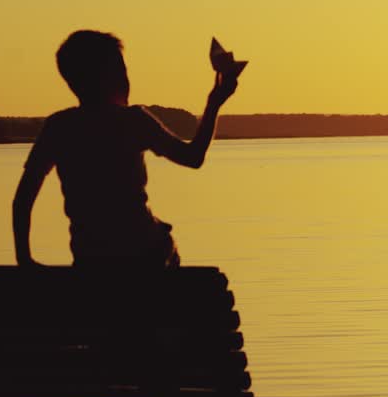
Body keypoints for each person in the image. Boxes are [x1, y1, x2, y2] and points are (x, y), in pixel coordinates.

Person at [13, 30, 237, 268]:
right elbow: (193, 157)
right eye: (122, 71)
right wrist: (214, 103)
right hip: (145, 255)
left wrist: (24, 259)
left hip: (90, 257)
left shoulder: (59, 127)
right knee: (161, 239)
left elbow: (23, 199)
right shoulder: (133, 121)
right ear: (110, 77)